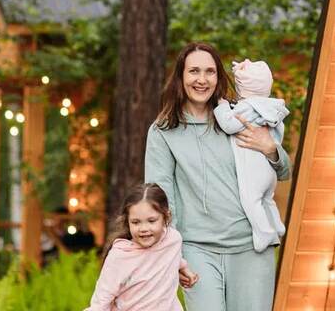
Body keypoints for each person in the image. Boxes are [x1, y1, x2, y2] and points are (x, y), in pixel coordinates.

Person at [145, 42, 291, 311]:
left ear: (218, 77)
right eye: (194, 71)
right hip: (196, 250)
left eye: (209, 72)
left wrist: (270, 148)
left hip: (251, 248)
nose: (201, 80)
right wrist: (171, 254)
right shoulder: (163, 130)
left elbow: (284, 171)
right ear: (181, 77)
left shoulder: (238, 117)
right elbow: (160, 197)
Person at [212, 58, 289, 252]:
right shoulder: (270, 107)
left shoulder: (248, 106)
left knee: (251, 200)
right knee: (267, 198)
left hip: (254, 169)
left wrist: (221, 106)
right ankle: (277, 225)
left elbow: (229, 125)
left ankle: (265, 233)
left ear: (243, 89)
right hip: (268, 170)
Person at [84, 183, 198, 311]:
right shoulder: (120, 256)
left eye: (151, 221)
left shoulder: (173, 239)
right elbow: (102, 299)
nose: (143, 228)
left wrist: (183, 268)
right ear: (127, 221)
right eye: (136, 222)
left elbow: (173, 256)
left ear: (166, 217)